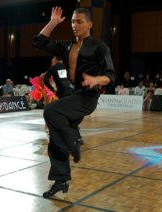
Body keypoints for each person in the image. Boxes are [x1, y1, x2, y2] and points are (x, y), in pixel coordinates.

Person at [32, 6, 115, 198]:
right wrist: (53, 22)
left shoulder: (100, 47)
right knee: (56, 137)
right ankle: (61, 180)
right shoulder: (66, 46)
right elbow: (39, 41)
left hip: (87, 97)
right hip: (71, 96)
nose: (75, 25)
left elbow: (110, 75)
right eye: (72, 22)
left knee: (50, 112)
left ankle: (74, 139)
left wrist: (96, 80)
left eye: (79, 21)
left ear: (90, 24)